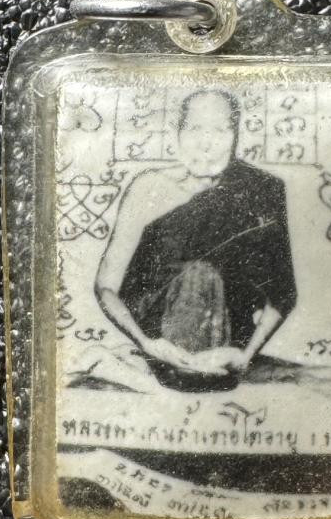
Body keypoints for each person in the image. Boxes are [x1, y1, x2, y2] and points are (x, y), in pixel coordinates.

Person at [95, 89, 297, 389]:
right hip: (160, 343)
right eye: (195, 129)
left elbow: (283, 293)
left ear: (236, 136)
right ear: (177, 133)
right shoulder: (148, 186)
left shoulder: (262, 189)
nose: (206, 143)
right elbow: (106, 285)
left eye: (220, 130)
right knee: (196, 275)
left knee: (205, 274)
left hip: (225, 349)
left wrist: (245, 356)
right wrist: (147, 343)